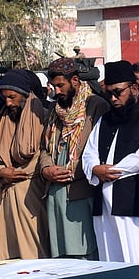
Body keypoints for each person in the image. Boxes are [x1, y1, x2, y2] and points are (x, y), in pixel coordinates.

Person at [82, 61, 139, 263]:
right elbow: (89, 152)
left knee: (137, 259)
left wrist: (112, 171)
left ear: (133, 88)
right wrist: (95, 168)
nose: (113, 99)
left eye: (118, 93)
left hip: (133, 202)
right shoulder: (104, 119)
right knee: (109, 260)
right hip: (103, 204)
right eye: (109, 94)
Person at [40, 58, 106, 259]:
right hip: (55, 191)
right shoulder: (54, 110)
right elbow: (44, 149)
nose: (57, 91)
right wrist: (46, 169)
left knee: (84, 254)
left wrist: (72, 170)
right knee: (61, 256)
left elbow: (99, 151)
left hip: (81, 189)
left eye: (61, 85)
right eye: (54, 86)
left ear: (75, 81)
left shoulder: (95, 106)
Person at [0, 70, 49, 260]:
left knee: (34, 254)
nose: (8, 103)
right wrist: (1, 171)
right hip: (5, 194)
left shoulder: (44, 117)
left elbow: (44, 153)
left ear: (25, 95)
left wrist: (19, 173)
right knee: (8, 257)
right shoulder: (2, 119)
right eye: (5, 97)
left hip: (31, 194)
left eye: (12, 97)